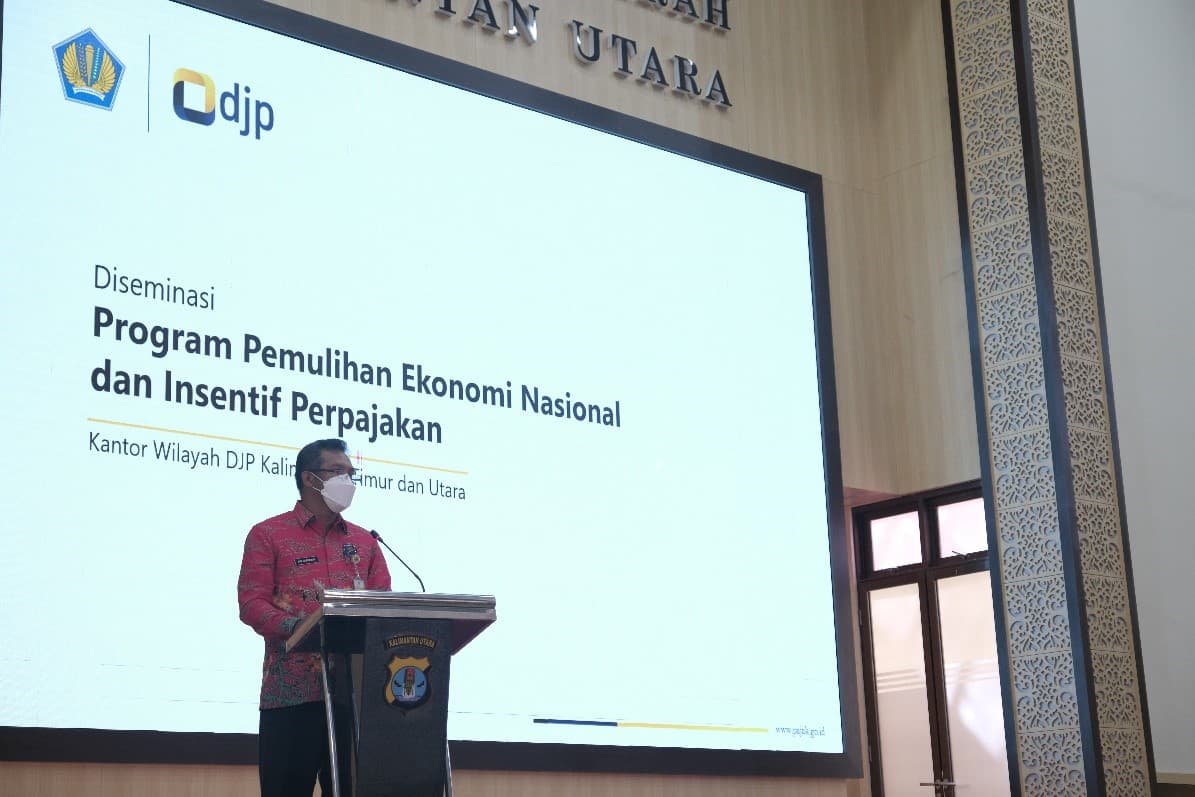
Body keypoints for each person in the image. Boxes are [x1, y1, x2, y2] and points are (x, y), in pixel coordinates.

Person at [238, 438, 391, 797]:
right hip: (291, 694)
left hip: (355, 698)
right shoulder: (268, 534)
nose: (347, 481)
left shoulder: (366, 542)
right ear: (309, 478)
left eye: (351, 473)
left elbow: (382, 605)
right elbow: (252, 603)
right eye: (337, 471)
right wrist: (300, 628)